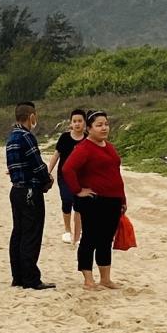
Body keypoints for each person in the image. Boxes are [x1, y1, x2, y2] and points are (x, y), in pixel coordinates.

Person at [60, 110, 127, 290]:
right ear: (89, 128)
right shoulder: (84, 148)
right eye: (99, 125)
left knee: (106, 240)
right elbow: (68, 169)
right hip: (93, 200)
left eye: (105, 124)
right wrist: (77, 190)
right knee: (90, 238)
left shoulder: (110, 147)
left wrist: (122, 198)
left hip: (113, 200)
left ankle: (105, 278)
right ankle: (88, 279)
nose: (104, 128)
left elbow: (115, 173)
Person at [4, 102, 54, 290]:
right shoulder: (26, 137)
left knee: (18, 232)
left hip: (16, 190)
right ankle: (31, 278)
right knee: (31, 234)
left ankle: (17, 276)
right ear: (30, 116)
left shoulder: (11, 138)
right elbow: (37, 165)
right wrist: (47, 179)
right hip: (30, 192)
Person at [53, 109, 90, 247]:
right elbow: (56, 156)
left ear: (85, 123)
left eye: (80, 121)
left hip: (82, 177)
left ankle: (78, 233)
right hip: (64, 176)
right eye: (74, 121)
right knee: (67, 200)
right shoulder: (64, 138)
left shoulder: (88, 139)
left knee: (79, 205)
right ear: (71, 123)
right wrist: (48, 172)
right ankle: (67, 230)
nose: (77, 124)